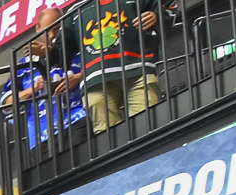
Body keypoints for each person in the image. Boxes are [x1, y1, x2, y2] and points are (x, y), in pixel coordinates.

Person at [57, 0, 162, 134]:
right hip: (96, 78)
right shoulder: (75, 11)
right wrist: (44, 53)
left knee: (147, 126)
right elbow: (60, 53)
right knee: (106, 134)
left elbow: (168, 8)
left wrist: (156, 16)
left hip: (137, 68)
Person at [0, 8, 86, 146]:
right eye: (47, 30)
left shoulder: (76, 49)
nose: (52, 35)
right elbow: (6, 103)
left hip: (77, 119)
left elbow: (97, 69)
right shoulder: (25, 64)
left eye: (57, 29)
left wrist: (79, 77)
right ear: (38, 29)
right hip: (42, 136)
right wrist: (34, 88)